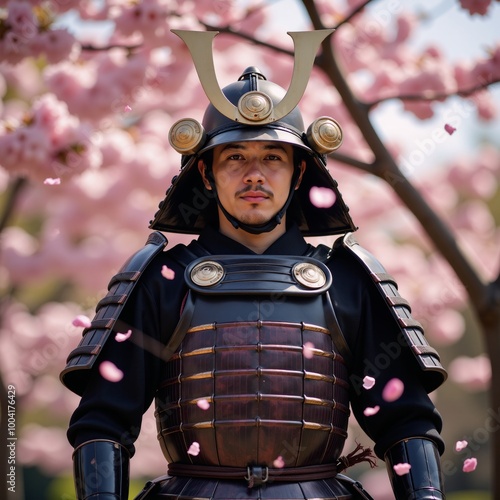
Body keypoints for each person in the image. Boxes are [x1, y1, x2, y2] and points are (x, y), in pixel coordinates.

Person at [61, 30, 447, 500]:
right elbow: (103, 422)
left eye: (272, 157)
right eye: (235, 157)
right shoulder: (161, 281)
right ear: (204, 171)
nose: (255, 175)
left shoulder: (348, 278)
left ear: (299, 170)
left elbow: (405, 420)